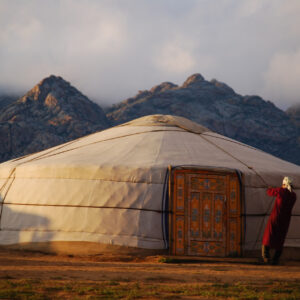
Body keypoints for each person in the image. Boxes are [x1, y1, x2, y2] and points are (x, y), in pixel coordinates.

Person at [262, 177, 297, 265]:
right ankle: (275, 259)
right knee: (280, 238)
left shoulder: (281, 191)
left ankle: (266, 257)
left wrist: (269, 188)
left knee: (268, 236)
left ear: (284, 184)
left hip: (276, 217)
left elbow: (270, 192)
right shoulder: (293, 195)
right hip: (285, 220)